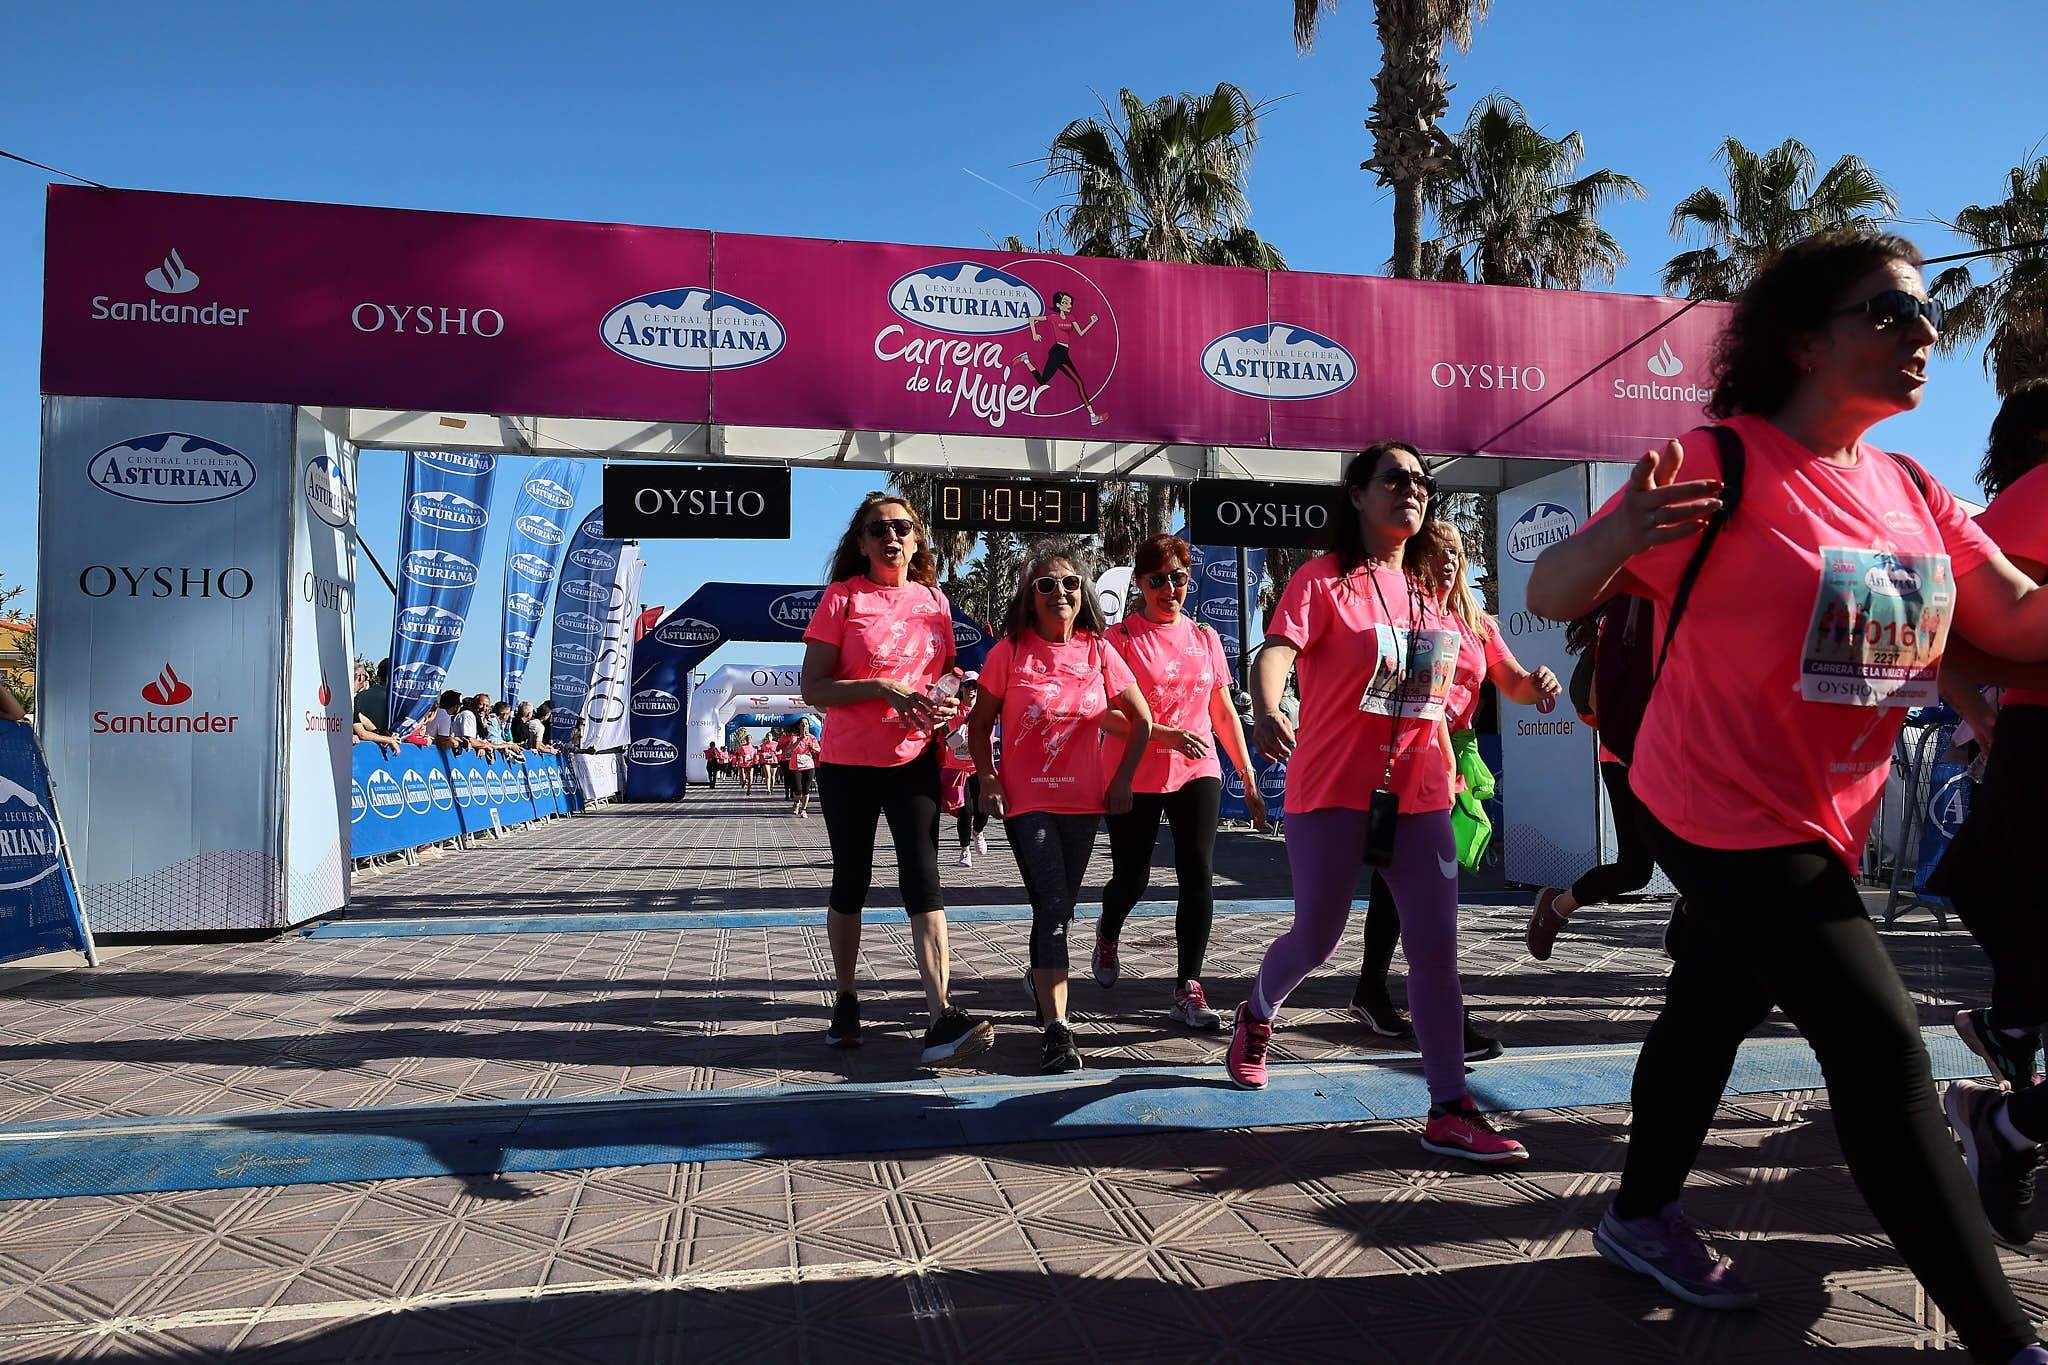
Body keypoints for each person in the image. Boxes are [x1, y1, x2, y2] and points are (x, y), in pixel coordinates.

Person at [1526, 231, 2048, 1361]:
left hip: (1824, 811)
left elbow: (2015, 618)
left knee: (1714, 996)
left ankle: (1636, 1215)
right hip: (1713, 801)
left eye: (1925, 315)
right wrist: (1617, 536)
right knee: (1881, 1047)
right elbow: (1552, 587)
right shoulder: (1721, 460)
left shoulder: (1914, 491)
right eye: (1891, 313)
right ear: (1805, 343)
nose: (1922, 334)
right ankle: (2006, 1342)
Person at [1233, 442, 1527, 1165]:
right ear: (1359, 493)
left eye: (1422, 481)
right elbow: (1277, 649)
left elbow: (1487, 671)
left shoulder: (1432, 594)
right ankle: (1257, 1013)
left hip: (1421, 794)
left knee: (1436, 952)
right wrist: (1267, 707)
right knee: (1318, 938)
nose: (1413, 489)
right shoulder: (1323, 579)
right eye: (1396, 478)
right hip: (1332, 789)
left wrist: (1531, 685)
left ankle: (1449, 1107)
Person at [799, 490, 994, 1066]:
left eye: (903, 528)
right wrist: (881, 688)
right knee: (851, 880)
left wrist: (953, 700)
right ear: (861, 544)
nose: (892, 537)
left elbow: (944, 680)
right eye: (879, 529)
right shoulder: (843, 598)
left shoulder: (934, 600)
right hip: (848, 764)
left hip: (914, 761)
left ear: (917, 541)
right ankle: (846, 997)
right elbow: (813, 688)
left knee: (924, 879)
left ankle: (940, 1015)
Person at [1352, 517, 1559, 1054]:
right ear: (1416, 559)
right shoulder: (1410, 615)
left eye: (1456, 551)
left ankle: (1385, 994)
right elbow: (1420, 700)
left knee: (1419, 886)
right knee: (1404, 884)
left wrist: (1538, 684)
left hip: (1451, 756)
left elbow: (1513, 682)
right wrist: (1444, 760)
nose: (1448, 560)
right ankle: (1415, 1005)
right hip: (1407, 753)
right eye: (1437, 550)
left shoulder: (1476, 622)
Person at [1932, 383, 2048, 1246]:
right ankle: (2007, 1110)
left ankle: (2009, 1088)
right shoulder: (2036, 496)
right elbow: (1938, 623)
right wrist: (1980, 710)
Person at [968, 550, 1151, 1072]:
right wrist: (988, 778)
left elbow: (1141, 720)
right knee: (1051, 905)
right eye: (1046, 585)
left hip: (1083, 802)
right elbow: (979, 725)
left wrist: (1122, 780)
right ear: (1030, 598)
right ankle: (1057, 1029)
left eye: (1070, 583)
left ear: (1083, 593)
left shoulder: (1099, 651)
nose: (1060, 593)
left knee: (1062, 908)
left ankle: (1040, 975)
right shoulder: (1009, 652)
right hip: (1027, 802)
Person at [1096, 533, 1267, 1030]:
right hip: (1134, 771)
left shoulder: (1205, 637)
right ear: (1139, 583)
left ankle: (1188, 986)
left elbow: (1223, 712)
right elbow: (1103, 715)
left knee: (1197, 872)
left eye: (1178, 579)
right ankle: (1108, 931)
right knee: (1132, 878)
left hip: (1197, 769)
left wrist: (1248, 775)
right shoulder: (1119, 640)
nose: (1169, 590)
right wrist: (1165, 735)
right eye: (1157, 581)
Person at [1523, 606, 1677, 961]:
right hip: (1629, 758)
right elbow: (1599, 699)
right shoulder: (1630, 615)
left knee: (1693, 855)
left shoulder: (1669, 606)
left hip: (1670, 755)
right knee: (1637, 869)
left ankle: (1689, 927)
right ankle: (1555, 907)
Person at [1014, 291, 1108, 427]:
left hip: (1063, 353)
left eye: (1069, 302)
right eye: (1065, 302)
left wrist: (1092, 322)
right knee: (1079, 383)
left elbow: (1081, 333)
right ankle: (1092, 416)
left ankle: (1026, 359)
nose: (1069, 305)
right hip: (1057, 352)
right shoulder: (1053, 317)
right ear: (1058, 305)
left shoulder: (1071, 317)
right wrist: (1035, 334)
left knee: (1043, 380)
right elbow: (1032, 319)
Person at [938, 678, 986, 866]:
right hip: (957, 768)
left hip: (979, 767)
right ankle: (965, 851)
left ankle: (978, 832)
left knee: (983, 810)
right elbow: (940, 721)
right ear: (961, 688)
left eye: (975, 686)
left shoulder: (986, 710)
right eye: (967, 685)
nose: (971, 689)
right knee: (965, 811)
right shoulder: (954, 708)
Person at [787, 723, 822, 818]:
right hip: (796, 766)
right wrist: (800, 740)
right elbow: (789, 750)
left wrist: (813, 747)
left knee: (806, 789)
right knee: (798, 789)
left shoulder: (812, 737)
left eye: (806, 726)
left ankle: (804, 810)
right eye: (802, 726)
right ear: (799, 728)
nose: (804, 728)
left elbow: (819, 749)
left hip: (808, 765)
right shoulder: (795, 737)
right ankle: (797, 802)